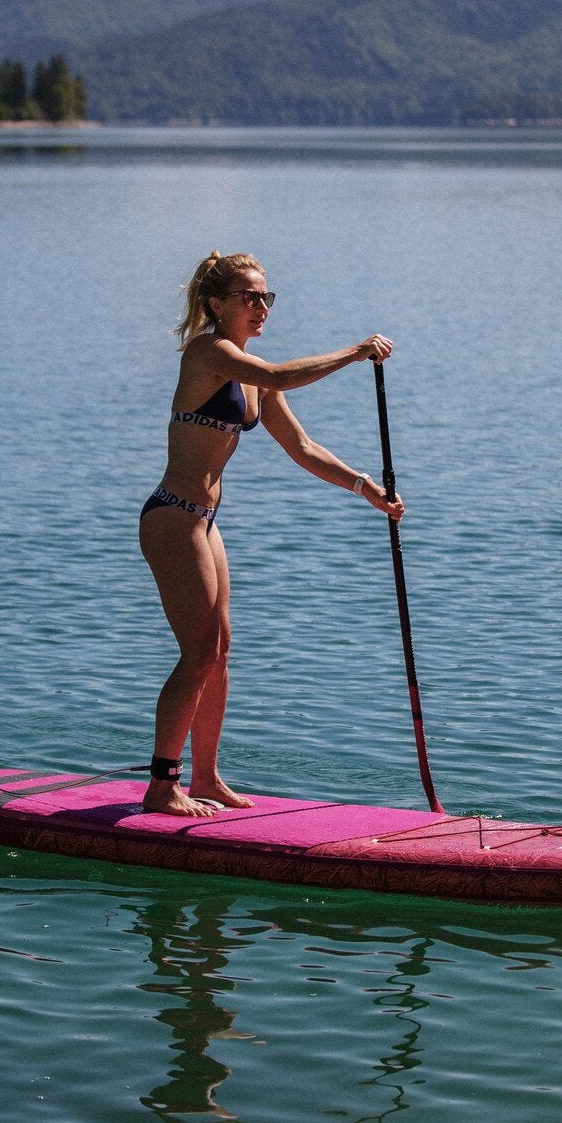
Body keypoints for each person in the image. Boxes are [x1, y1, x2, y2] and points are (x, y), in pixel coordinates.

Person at [139, 249, 403, 817]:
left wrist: (365, 489)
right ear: (217, 304)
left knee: (219, 652)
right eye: (249, 297)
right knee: (197, 653)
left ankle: (206, 777)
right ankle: (161, 786)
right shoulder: (209, 352)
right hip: (172, 518)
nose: (261, 307)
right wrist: (355, 352)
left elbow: (302, 448)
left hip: (204, 523)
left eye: (266, 297)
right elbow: (282, 374)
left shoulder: (253, 376)